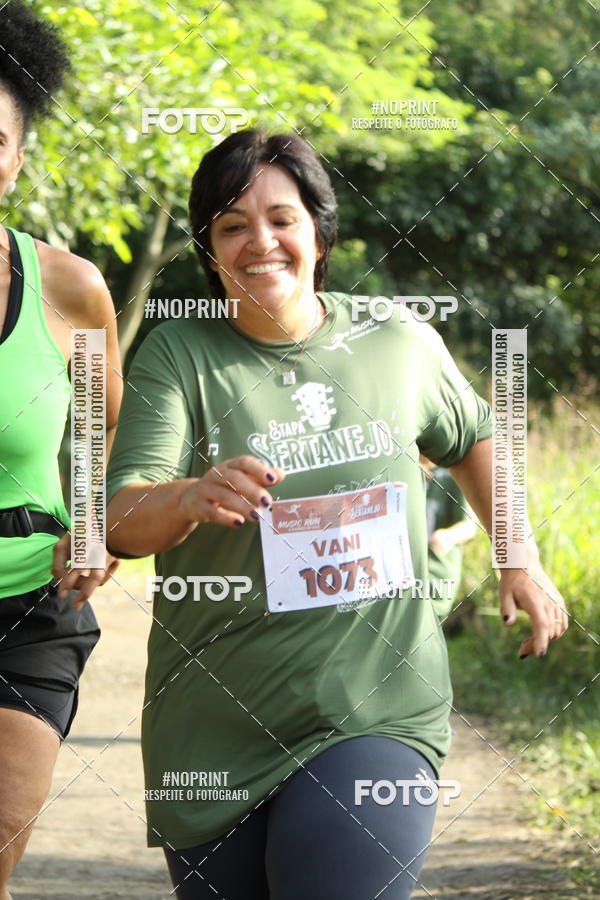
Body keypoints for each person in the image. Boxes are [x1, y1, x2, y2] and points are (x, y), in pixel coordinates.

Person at [106, 129, 568, 900]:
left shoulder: (394, 339)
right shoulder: (178, 352)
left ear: (319, 232)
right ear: (209, 247)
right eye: (232, 225)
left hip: (375, 707)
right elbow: (122, 518)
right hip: (216, 720)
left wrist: (518, 556)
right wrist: (187, 495)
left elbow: (476, 432)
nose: (261, 242)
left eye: (282, 218)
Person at [0, 4, 121, 897]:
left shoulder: (69, 290)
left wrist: (90, 527)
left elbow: (99, 434)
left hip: (27, 612)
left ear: (18, 158)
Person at [421, 455, 477, 619]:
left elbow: (469, 527)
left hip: (436, 578)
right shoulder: (405, 470)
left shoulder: (453, 473)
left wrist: (447, 535)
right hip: (403, 581)